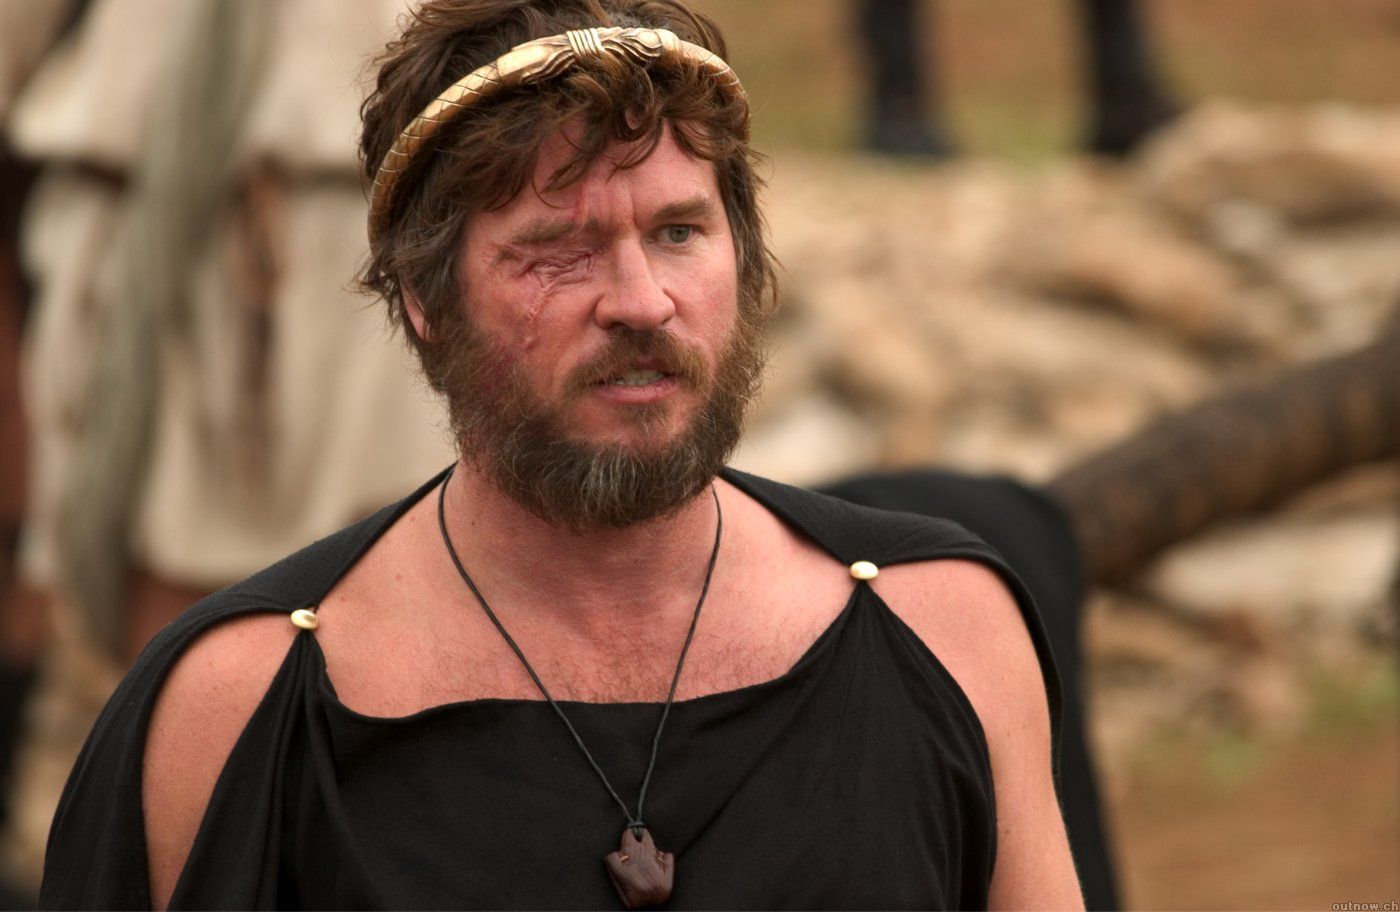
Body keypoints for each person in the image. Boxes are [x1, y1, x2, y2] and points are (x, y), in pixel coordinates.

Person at [40, 1, 1085, 908]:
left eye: (678, 232)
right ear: (425, 299)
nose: (640, 302)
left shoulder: (944, 630)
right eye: (557, 251)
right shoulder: (237, 712)